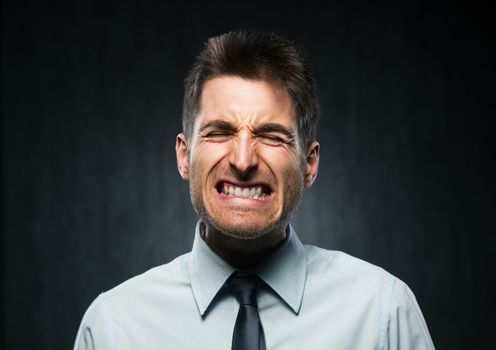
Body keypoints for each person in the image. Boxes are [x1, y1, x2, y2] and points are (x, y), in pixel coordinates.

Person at [74, 30, 435, 350]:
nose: (243, 161)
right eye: (219, 132)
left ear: (309, 164)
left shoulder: (384, 315)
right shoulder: (112, 328)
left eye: (271, 136)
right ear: (185, 157)